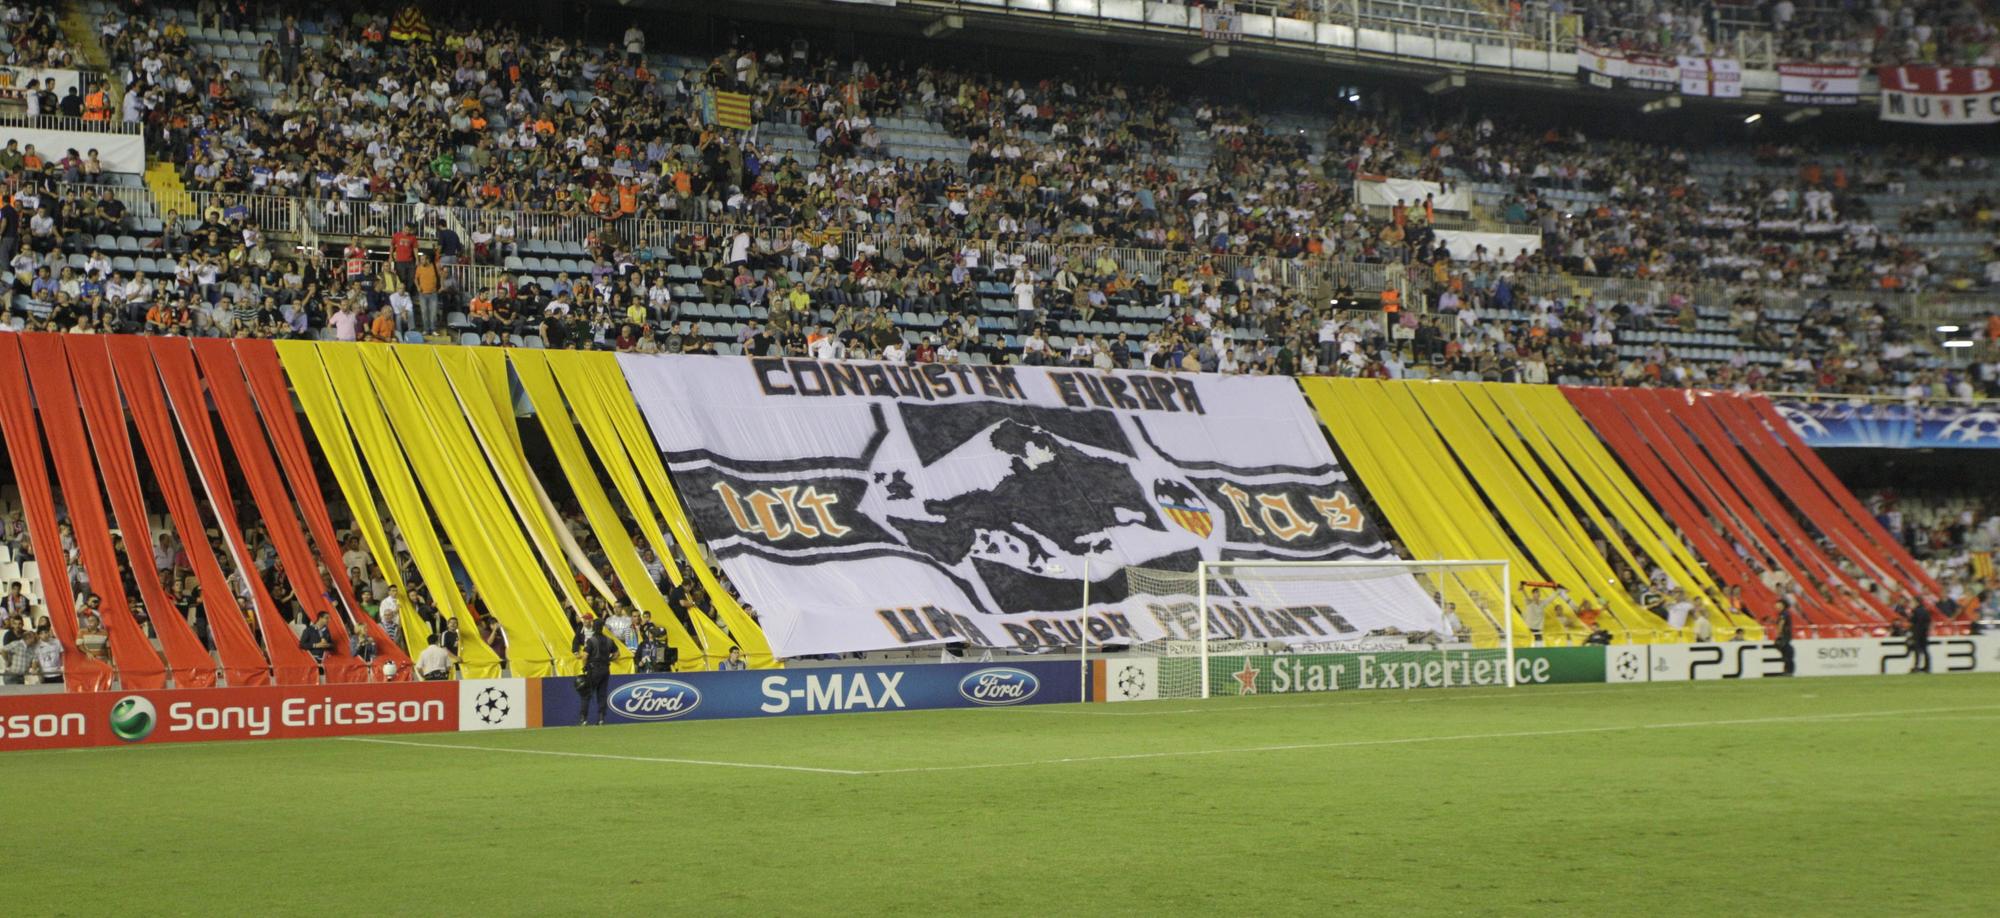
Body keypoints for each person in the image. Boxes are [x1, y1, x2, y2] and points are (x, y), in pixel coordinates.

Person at [575, 618, 618, 726]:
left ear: (594, 627)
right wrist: (609, 660)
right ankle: (601, 719)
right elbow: (617, 654)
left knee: (586, 694)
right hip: (605, 669)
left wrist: (584, 667)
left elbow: (585, 656)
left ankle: (583, 719)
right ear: (602, 627)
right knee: (602, 695)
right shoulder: (609, 640)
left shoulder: (591, 640)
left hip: (594, 670)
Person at [1772, 599, 1795, 676]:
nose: (1776, 606)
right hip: (1786, 636)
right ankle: (1788, 671)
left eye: (1778, 604)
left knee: (1787, 653)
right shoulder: (1785, 613)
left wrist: (1779, 634)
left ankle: (1788, 671)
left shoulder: (1784, 613)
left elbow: (1781, 624)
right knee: (1788, 653)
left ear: (1782, 605)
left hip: (1784, 636)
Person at [1907, 603, 1932, 674]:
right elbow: (1929, 620)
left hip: (1917, 632)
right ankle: (1927, 667)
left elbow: (1912, 621)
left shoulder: (1915, 611)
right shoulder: (1925, 611)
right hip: (1924, 633)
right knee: (1925, 650)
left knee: (1917, 650)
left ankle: (1916, 666)